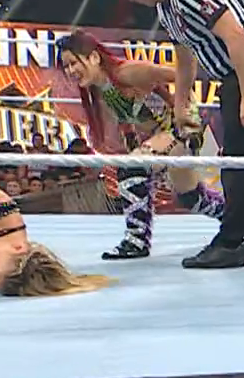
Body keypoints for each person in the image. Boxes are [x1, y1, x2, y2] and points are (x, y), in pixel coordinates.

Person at [111, 0, 244, 269]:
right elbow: (185, 56)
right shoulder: (166, 7)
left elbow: (236, 36)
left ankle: (229, 243)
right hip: (236, 78)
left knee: (239, 165)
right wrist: (181, 102)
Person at [56, 31, 227, 259]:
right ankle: (239, 219)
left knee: (132, 166)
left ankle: (136, 241)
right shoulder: (100, 90)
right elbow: (129, 118)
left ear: (94, 57)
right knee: (191, 198)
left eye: (73, 63)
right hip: (161, 135)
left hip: (178, 130)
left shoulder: (126, 72)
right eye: (66, 66)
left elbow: (182, 76)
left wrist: (188, 119)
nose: (70, 71)